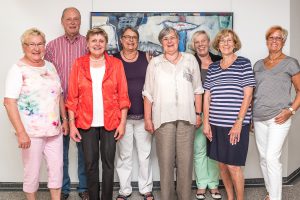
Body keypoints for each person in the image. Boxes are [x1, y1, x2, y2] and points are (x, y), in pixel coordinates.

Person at [66, 27, 130, 200]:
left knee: (108, 164)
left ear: (106, 44)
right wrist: (72, 124)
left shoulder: (116, 65)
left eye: (101, 41)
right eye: (94, 40)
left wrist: (122, 123)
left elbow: (123, 96)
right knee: (90, 165)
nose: (97, 44)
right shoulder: (79, 64)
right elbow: (72, 97)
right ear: (87, 44)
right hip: (86, 123)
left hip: (110, 122)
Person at [4, 28, 68, 200]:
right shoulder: (18, 69)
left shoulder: (50, 66)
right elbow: (9, 102)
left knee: (57, 170)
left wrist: (65, 119)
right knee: (31, 172)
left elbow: (59, 93)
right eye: (32, 44)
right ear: (23, 46)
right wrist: (21, 132)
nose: (36, 48)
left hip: (54, 131)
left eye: (40, 44)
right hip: (31, 133)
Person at [143, 27, 203, 200]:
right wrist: (148, 118)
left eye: (173, 38)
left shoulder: (190, 60)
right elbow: (148, 93)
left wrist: (198, 113)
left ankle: (184, 197)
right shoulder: (154, 63)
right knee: (166, 163)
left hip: (187, 118)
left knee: (185, 163)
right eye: (165, 39)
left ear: (178, 40)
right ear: (161, 43)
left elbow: (198, 89)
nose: (170, 41)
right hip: (163, 119)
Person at [203, 29, 256, 200]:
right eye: (222, 41)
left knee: (234, 166)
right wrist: (206, 123)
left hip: (236, 125)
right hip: (215, 124)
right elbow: (207, 96)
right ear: (218, 45)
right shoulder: (212, 67)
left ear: (235, 44)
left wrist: (239, 123)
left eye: (229, 40)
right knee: (222, 165)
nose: (226, 44)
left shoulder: (243, 63)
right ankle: (230, 198)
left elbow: (248, 94)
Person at [44, 7, 88, 200]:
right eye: (68, 19)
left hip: (84, 106)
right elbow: (45, 76)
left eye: (76, 19)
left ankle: (84, 187)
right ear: (62, 22)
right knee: (59, 151)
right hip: (57, 107)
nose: (72, 22)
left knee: (84, 151)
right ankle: (62, 189)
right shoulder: (52, 47)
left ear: (80, 22)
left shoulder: (89, 44)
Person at [253, 25, 300, 200]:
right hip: (258, 118)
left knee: (272, 158)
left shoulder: (291, 63)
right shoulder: (258, 65)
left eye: (278, 38)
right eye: (271, 37)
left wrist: (291, 111)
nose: (274, 40)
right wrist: (250, 117)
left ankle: (275, 198)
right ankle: (270, 192)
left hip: (279, 118)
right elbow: (254, 93)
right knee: (264, 159)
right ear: (266, 41)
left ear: (283, 41)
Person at [113, 27, 154, 200]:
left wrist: (150, 117)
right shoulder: (113, 59)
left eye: (134, 37)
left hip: (144, 116)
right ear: (121, 40)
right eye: (127, 37)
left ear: (138, 40)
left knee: (145, 155)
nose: (131, 40)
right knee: (124, 156)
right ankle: (124, 190)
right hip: (122, 118)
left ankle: (146, 189)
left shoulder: (147, 58)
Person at [190, 30, 222, 200]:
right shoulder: (189, 61)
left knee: (214, 150)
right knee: (199, 149)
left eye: (203, 41)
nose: (201, 44)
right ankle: (202, 184)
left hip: (217, 112)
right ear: (193, 45)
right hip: (197, 112)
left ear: (209, 42)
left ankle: (214, 184)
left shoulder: (219, 60)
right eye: (197, 42)